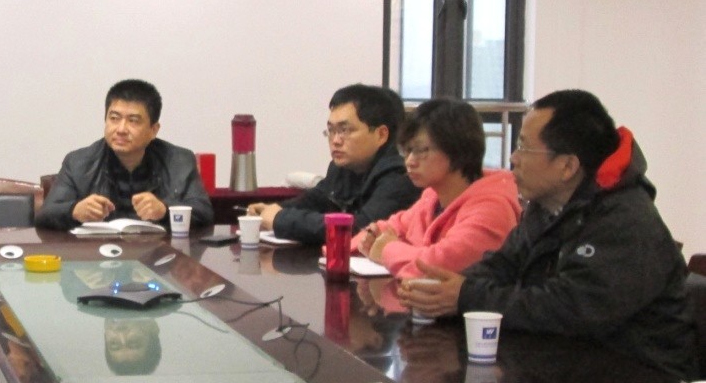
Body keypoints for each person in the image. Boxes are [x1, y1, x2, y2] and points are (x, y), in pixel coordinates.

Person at [399, 90, 696, 379]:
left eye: (524, 147)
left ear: (567, 166)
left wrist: (466, 296)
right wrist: (443, 291)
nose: (513, 158)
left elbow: (570, 308)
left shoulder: (626, 221)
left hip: (636, 382)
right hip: (563, 368)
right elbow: (503, 265)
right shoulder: (547, 206)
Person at [351, 98, 520, 279]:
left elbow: (436, 265)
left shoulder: (492, 209)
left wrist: (386, 249)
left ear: (458, 149)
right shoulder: (432, 196)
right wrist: (367, 240)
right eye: (407, 150)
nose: (410, 161)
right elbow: (390, 227)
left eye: (421, 150)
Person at [248, 84, 419, 243]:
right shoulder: (343, 168)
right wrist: (274, 209)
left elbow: (359, 229)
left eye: (345, 130)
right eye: (331, 130)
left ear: (381, 135)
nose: (336, 140)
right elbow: (316, 199)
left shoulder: (400, 177)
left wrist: (280, 219)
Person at [35, 79, 213, 230]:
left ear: (153, 130)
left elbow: (205, 213)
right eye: (114, 118)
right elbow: (45, 215)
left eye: (133, 121)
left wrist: (165, 211)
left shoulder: (179, 162)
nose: (121, 129)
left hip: (158, 255)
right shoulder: (78, 163)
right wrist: (74, 211)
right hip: (99, 255)